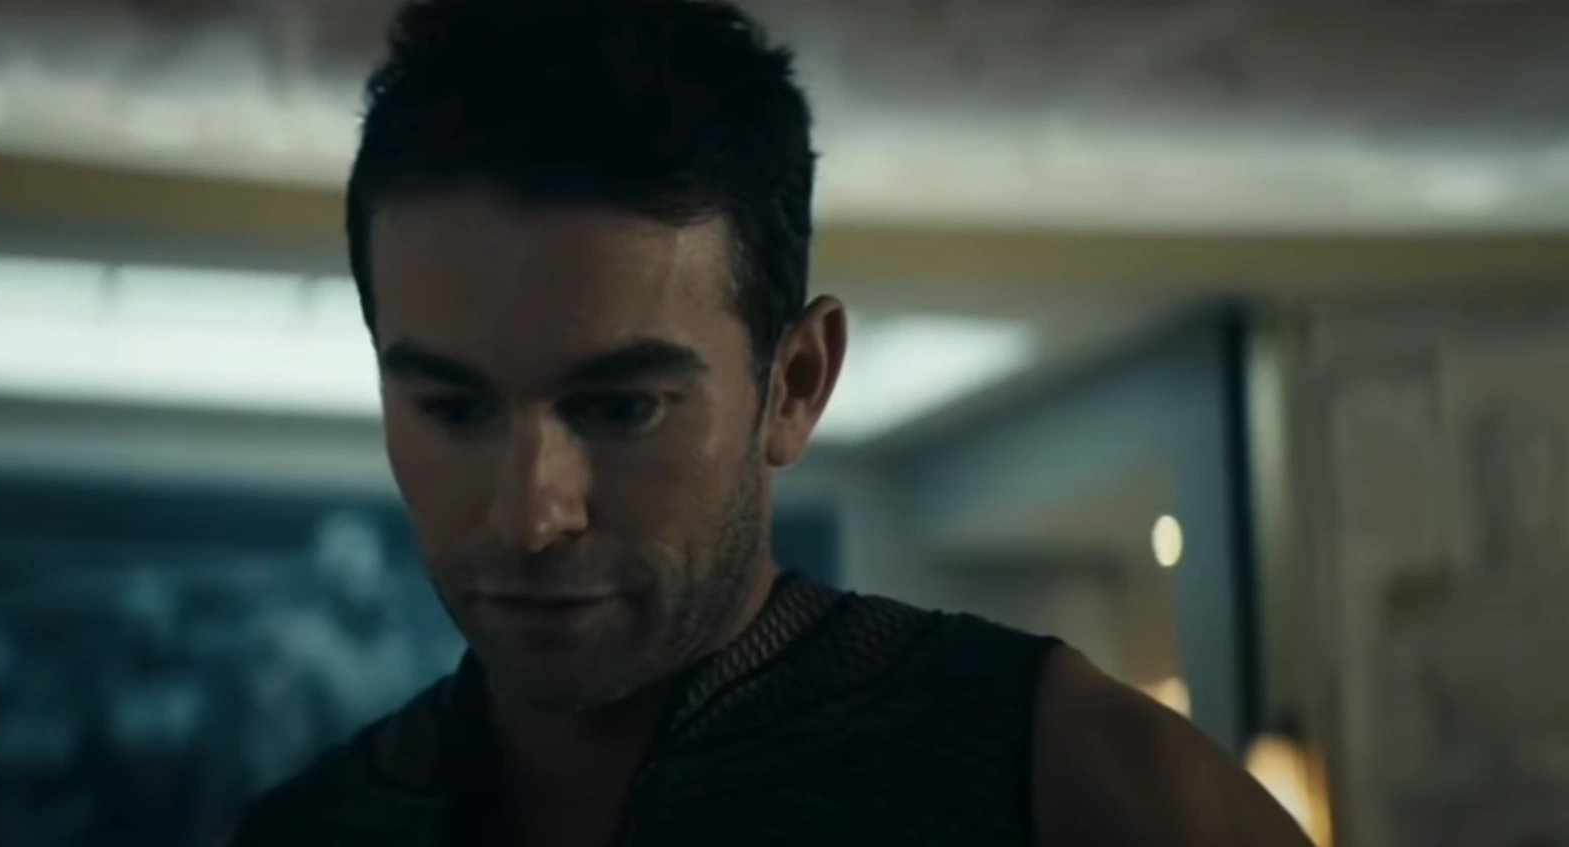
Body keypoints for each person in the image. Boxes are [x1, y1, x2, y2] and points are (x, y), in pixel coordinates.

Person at [228, 0, 1315, 845]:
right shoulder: (309, 832)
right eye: (452, 407)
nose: (530, 515)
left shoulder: (1083, 783)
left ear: (793, 383)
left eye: (621, 407)